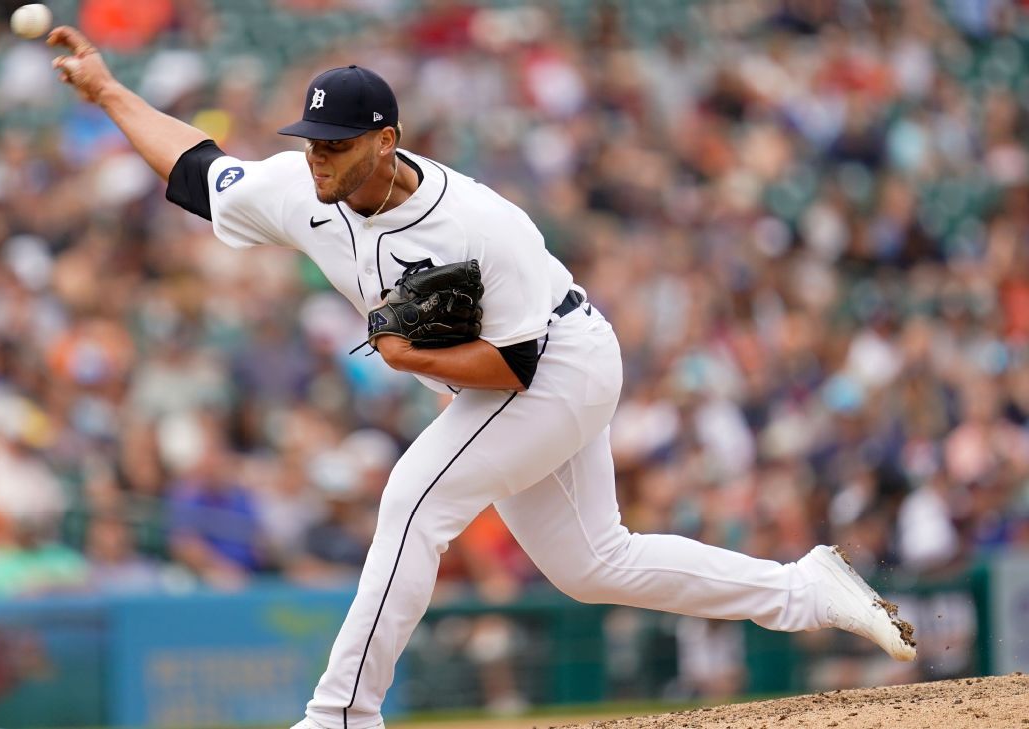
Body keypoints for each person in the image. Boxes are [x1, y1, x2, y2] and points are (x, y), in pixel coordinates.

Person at [45, 26, 916, 729]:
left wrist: (412, 355)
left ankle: (341, 714)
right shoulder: (301, 189)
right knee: (593, 562)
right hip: (508, 383)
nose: (320, 158)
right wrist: (109, 91)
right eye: (312, 141)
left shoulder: (479, 223)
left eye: (339, 145)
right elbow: (199, 170)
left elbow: (515, 364)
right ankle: (807, 588)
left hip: (559, 366)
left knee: (414, 499)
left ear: (386, 141)